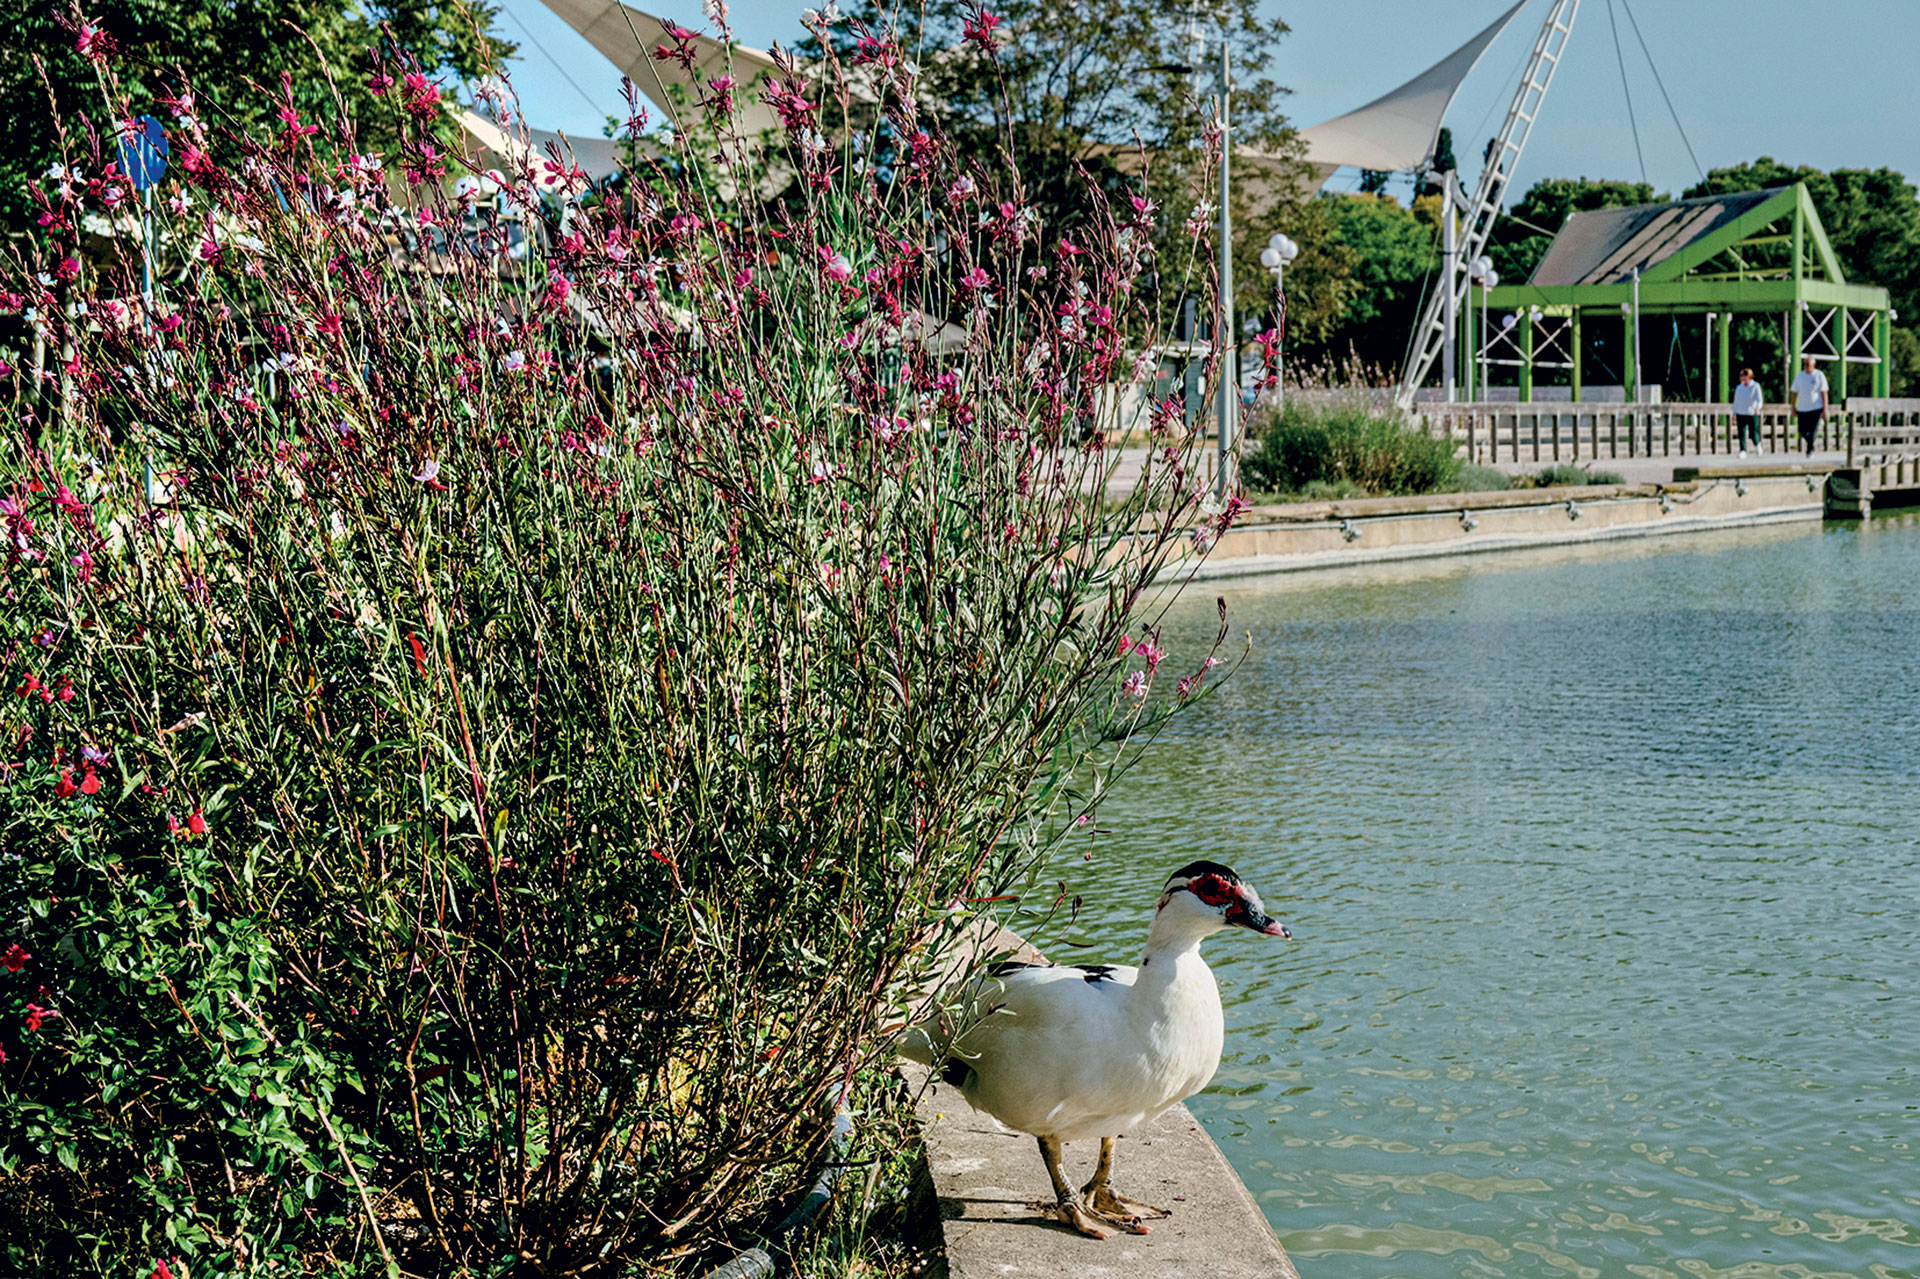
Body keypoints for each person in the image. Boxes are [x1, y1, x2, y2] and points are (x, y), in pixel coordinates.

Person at [1790, 355, 1829, 457]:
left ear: (1814, 365)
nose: (1806, 366)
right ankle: (1810, 444)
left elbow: (1824, 393)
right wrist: (1793, 406)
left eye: (1808, 364)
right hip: (1802, 408)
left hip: (1816, 407)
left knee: (1812, 430)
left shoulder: (1819, 375)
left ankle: (1810, 449)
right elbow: (1794, 392)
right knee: (1802, 430)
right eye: (1805, 364)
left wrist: (1825, 409)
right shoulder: (1800, 376)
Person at [1732, 367, 1763, 456]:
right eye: (1741, 375)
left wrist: (1758, 407)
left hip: (1751, 412)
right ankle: (1743, 450)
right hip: (1741, 412)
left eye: (1745, 375)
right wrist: (1734, 414)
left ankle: (1757, 445)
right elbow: (1736, 401)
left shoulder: (1755, 386)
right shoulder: (1739, 387)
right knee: (1741, 433)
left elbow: (1759, 399)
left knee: (1753, 433)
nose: (1743, 377)